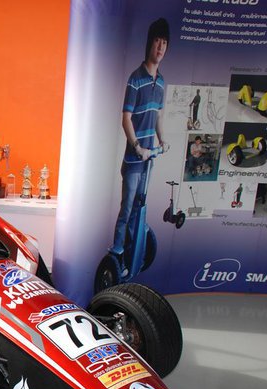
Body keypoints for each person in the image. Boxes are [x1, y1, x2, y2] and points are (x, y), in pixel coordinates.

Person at [109, 18, 170, 274]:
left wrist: (162, 140)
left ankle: (132, 256)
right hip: (135, 159)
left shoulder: (161, 82)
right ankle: (116, 254)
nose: (161, 47)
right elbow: (126, 118)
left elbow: (158, 116)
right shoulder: (135, 79)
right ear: (149, 43)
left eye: (164, 42)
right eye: (157, 41)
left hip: (149, 159)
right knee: (127, 209)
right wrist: (137, 146)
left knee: (139, 207)